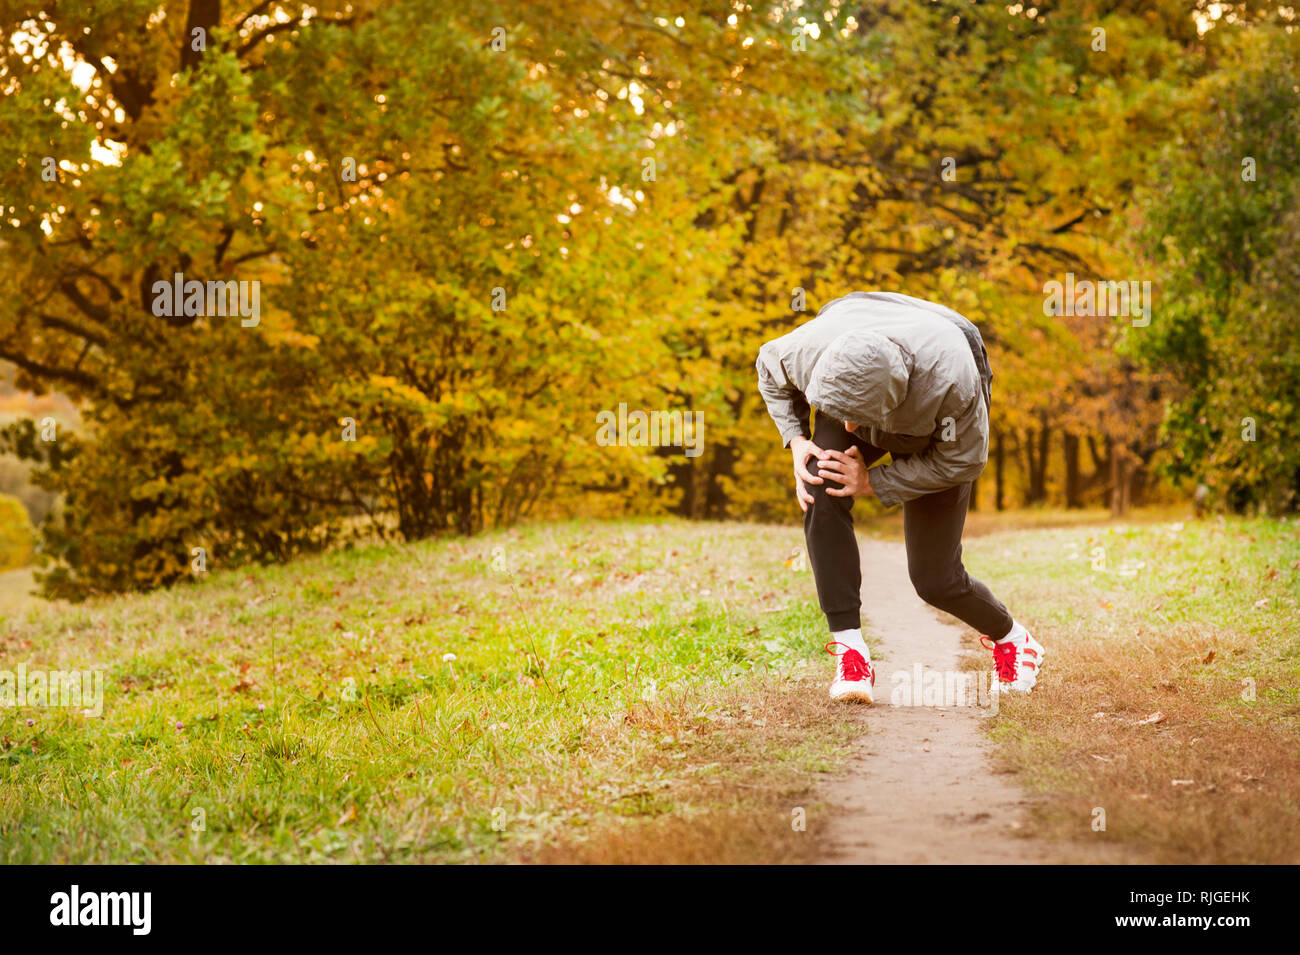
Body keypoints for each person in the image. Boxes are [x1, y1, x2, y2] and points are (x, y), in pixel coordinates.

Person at [756, 291, 1044, 703]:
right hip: (857, 354)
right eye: (844, 416)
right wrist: (798, 440)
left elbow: (963, 460)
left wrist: (873, 482)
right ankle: (851, 654)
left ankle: (1014, 640)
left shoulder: (954, 388)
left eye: (860, 418)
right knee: (823, 478)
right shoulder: (811, 351)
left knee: (934, 580)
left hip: (931, 399)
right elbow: (768, 367)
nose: (850, 427)